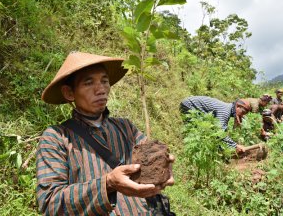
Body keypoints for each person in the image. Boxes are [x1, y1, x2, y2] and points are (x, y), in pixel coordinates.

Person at [36, 52, 174, 215]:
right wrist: (108, 183)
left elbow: (152, 160)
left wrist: (164, 164)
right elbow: (50, 203)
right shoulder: (56, 138)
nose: (101, 89)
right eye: (88, 83)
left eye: (104, 81)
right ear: (69, 93)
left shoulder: (126, 128)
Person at [179, 96, 252, 153]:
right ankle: (184, 148)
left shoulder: (227, 108)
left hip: (190, 104)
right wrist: (235, 146)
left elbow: (221, 131)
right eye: (242, 113)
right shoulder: (225, 111)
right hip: (188, 105)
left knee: (208, 130)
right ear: (238, 106)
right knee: (196, 131)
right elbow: (220, 134)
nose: (241, 116)